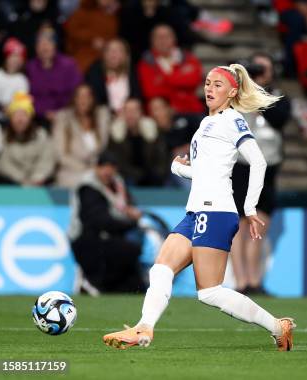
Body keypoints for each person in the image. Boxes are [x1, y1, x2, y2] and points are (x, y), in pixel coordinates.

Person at [102, 64, 295, 351]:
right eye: (207, 83)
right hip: (196, 212)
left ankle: (278, 327)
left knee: (209, 293)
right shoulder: (207, 123)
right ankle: (144, 328)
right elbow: (207, 172)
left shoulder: (232, 119)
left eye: (218, 85)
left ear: (232, 92)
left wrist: (251, 207)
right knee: (161, 269)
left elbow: (258, 160)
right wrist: (179, 170)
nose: (209, 88)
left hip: (216, 211)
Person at [230, 53, 291, 294]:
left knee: (259, 225)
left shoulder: (277, 98)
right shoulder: (238, 96)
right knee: (239, 227)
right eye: (254, 69)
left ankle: (255, 281)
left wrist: (257, 93)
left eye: (263, 69)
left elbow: (279, 118)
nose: (259, 73)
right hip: (241, 166)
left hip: (267, 168)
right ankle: (241, 281)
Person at [68, 151, 146, 293]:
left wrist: (131, 212)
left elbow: (128, 205)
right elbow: (99, 220)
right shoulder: (88, 187)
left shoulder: (118, 184)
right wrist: (131, 222)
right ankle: (91, 283)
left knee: (134, 280)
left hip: (109, 236)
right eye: (104, 166)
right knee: (128, 251)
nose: (107, 171)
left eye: (111, 167)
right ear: (96, 167)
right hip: (86, 239)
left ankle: (121, 288)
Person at [52, 84, 111, 188]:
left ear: (92, 99)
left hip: (100, 171)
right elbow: (61, 155)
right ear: (74, 99)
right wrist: (89, 169)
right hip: (72, 172)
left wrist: (99, 169)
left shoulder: (102, 116)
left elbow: (105, 147)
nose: (83, 100)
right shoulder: (63, 119)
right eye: (79, 96)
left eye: (87, 96)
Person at [137, 24, 204, 115]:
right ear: (152, 41)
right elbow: (150, 91)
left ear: (174, 38)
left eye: (166, 36)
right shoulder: (147, 62)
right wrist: (181, 76)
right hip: (165, 112)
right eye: (159, 37)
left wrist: (164, 79)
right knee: (156, 104)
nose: (163, 41)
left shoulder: (188, 57)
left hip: (191, 108)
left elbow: (195, 79)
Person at [0, 92, 56, 185]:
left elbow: (47, 159)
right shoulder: (3, 137)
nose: (20, 119)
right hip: (12, 182)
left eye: (24, 114)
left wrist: (36, 178)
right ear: (10, 118)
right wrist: (22, 180)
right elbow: (2, 163)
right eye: (16, 115)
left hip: (39, 182)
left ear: (30, 118)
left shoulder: (41, 135)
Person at [25, 27, 83, 125]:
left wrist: (60, 113)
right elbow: (27, 95)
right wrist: (43, 112)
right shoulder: (29, 67)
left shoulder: (69, 65)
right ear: (35, 48)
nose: (44, 47)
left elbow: (76, 93)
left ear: (55, 46)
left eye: (48, 43)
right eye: (40, 44)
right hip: (36, 117)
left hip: (66, 115)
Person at [107, 98, 169, 187]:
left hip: (153, 178)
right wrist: (136, 175)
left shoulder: (152, 131)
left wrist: (157, 174)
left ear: (141, 113)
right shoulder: (116, 133)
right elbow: (117, 163)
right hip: (127, 179)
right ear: (123, 113)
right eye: (127, 110)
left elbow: (162, 157)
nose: (130, 114)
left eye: (134, 110)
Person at [85, 38, 142, 114]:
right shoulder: (94, 72)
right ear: (104, 55)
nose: (113, 53)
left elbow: (137, 97)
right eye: (109, 50)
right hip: (103, 115)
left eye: (118, 50)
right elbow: (94, 101)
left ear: (126, 56)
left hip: (128, 115)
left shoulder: (133, 73)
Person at [63, 0, 119, 73]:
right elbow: (72, 31)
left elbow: (113, 37)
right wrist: (92, 39)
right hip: (84, 54)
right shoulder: (83, 11)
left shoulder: (113, 15)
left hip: (104, 55)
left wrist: (105, 43)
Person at [0, 38, 30, 115]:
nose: (15, 60)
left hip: (12, 116)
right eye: (12, 56)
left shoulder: (22, 80)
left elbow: (22, 103)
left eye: (18, 58)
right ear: (6, 58)